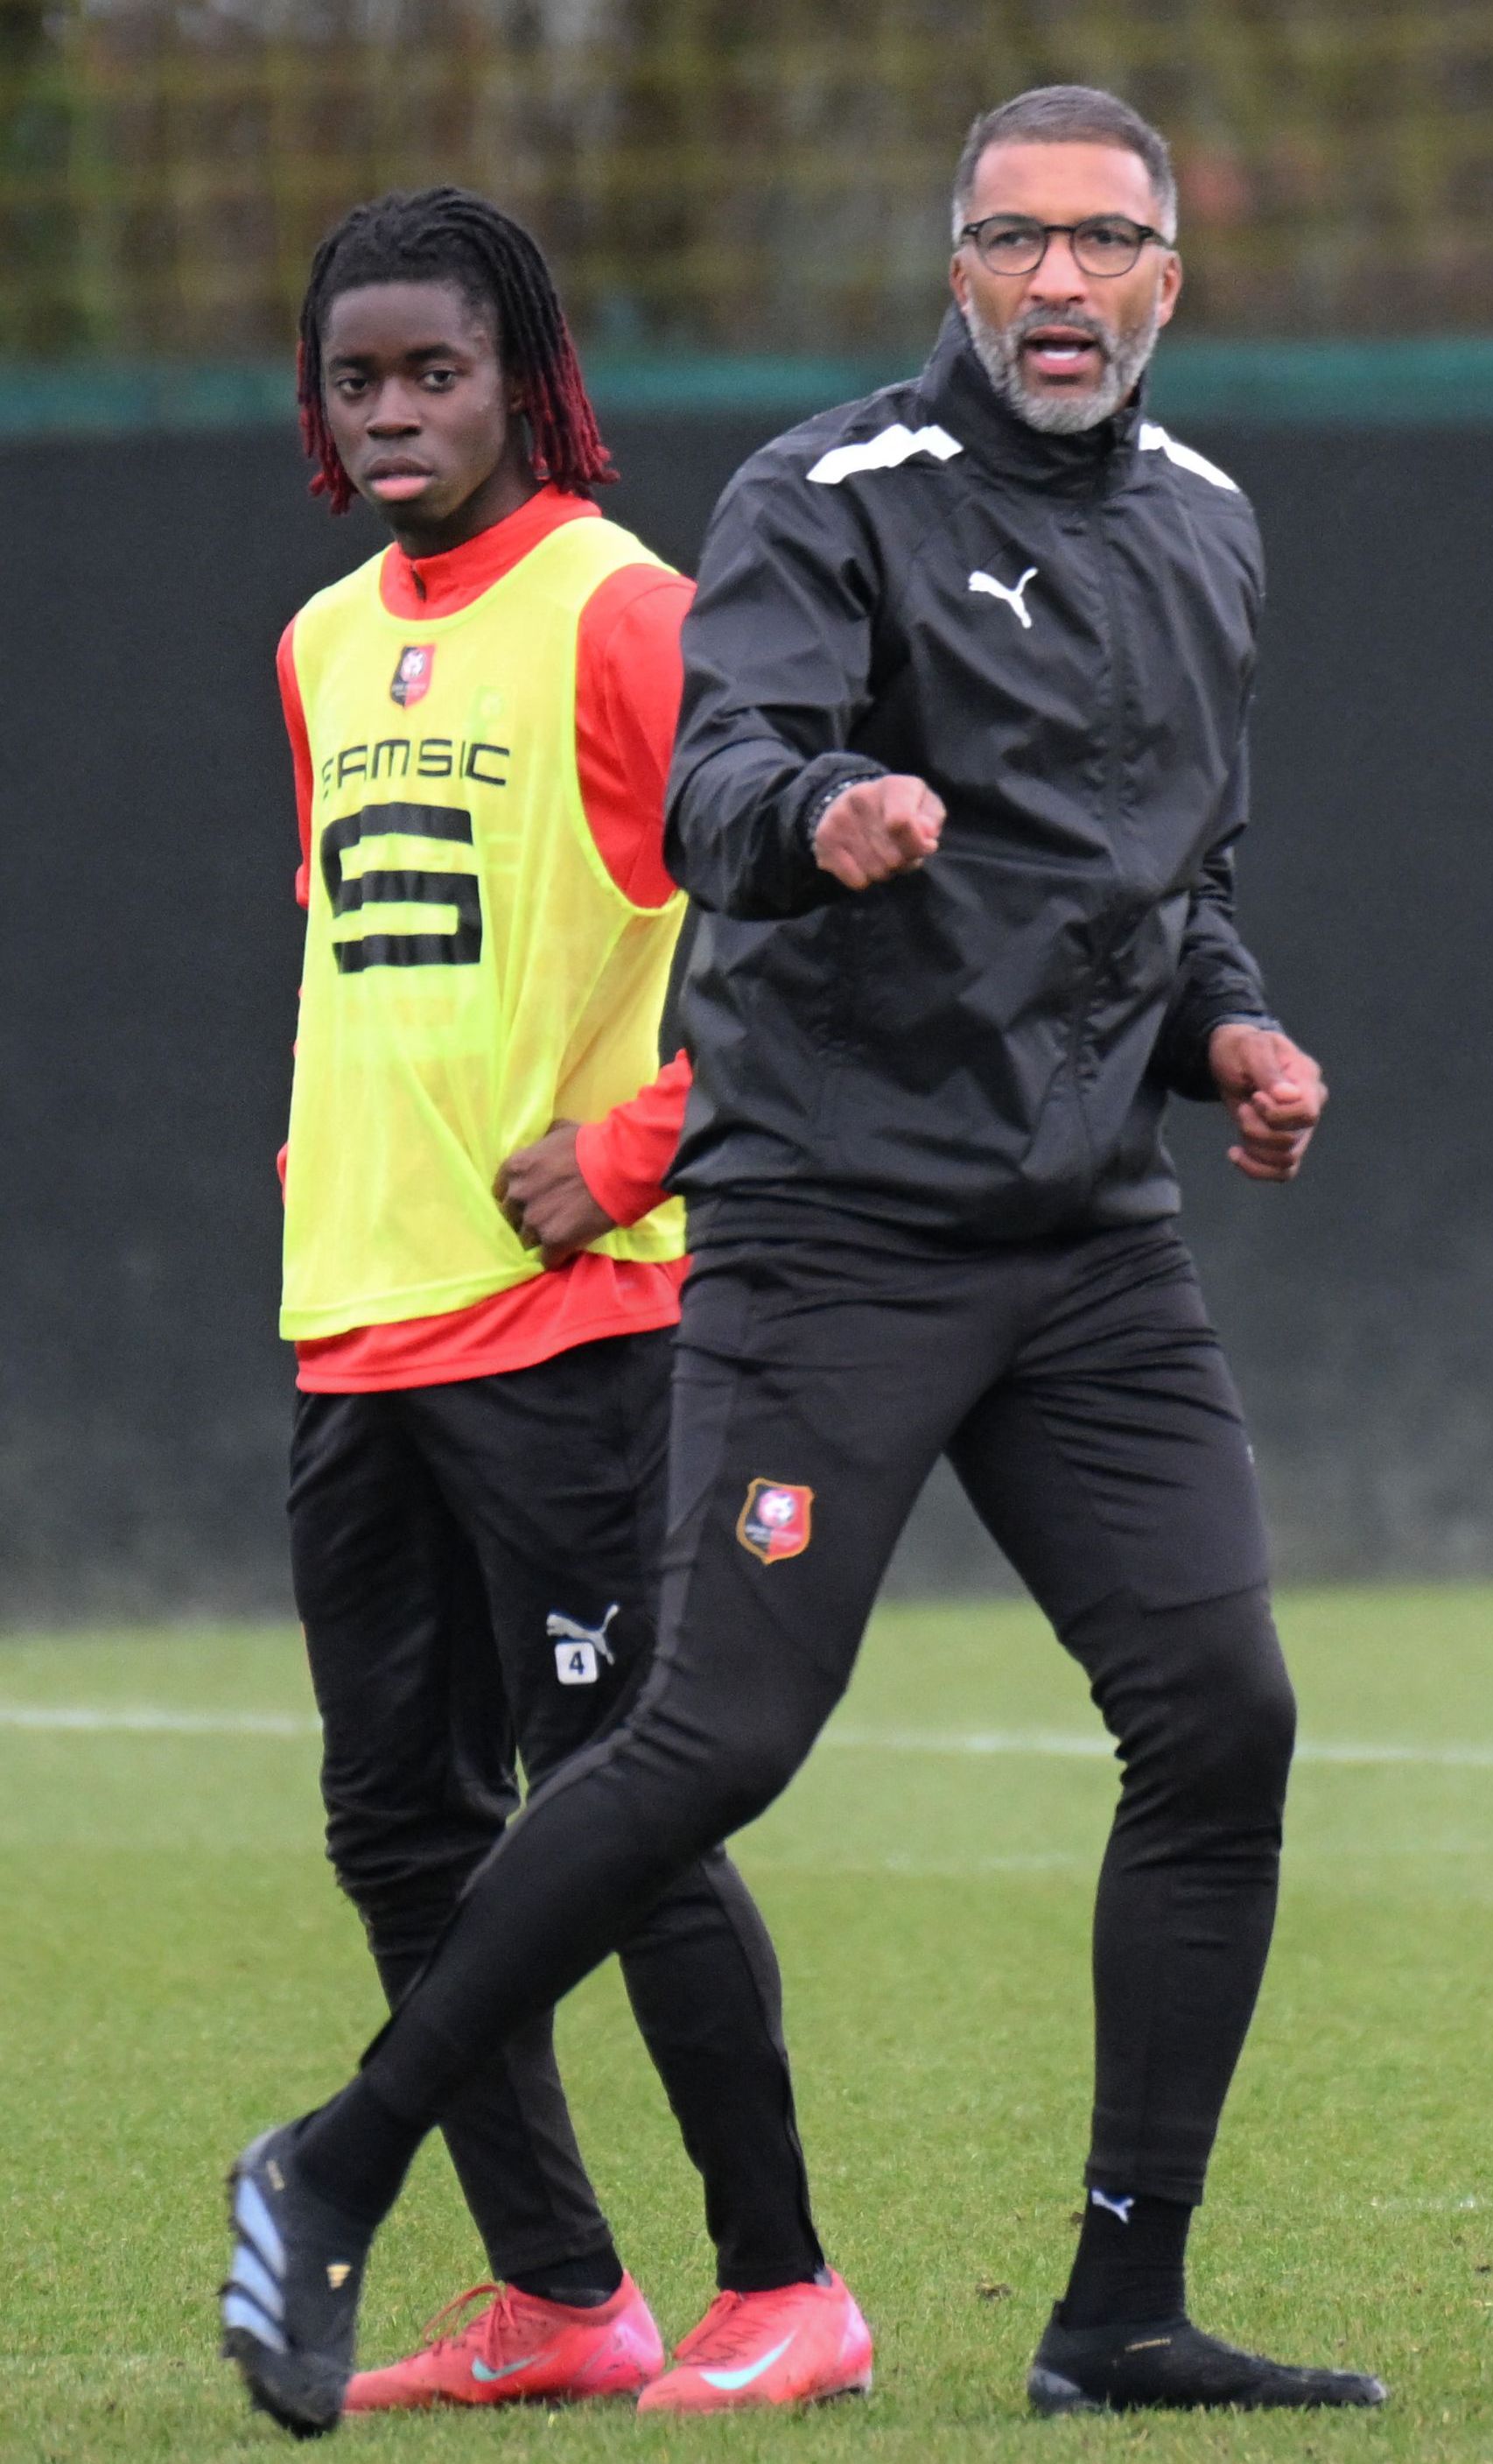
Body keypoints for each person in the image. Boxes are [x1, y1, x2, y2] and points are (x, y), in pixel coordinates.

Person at [214, 85, 1376, 2434]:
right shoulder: (816, 504)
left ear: (1171, 273)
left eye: (1110, 241)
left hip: (1084, 1247)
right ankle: (337, 2165)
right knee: (711, 1742)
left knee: (1223, 1720)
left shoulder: (1215, 531)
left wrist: (1233, 1031)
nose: (1063, 283)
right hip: (828, 1232)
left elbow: (1170, 890)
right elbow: (714, 781)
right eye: (1014, 241)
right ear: (954, 271)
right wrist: (820, 810)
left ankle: (1118, 2313)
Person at [266, 185, 862, 2420]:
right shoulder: (325, 642)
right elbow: (358, 955)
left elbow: (818, 952)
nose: (398, 410)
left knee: (618, 1799)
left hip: (577, 1325)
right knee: (399, 1827)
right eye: (358, 377)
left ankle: (786, 2282)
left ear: (526, 376)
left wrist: (629, 1154)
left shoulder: (629, 614)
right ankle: (559, 2295)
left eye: (435, 370)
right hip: (357, 1319)